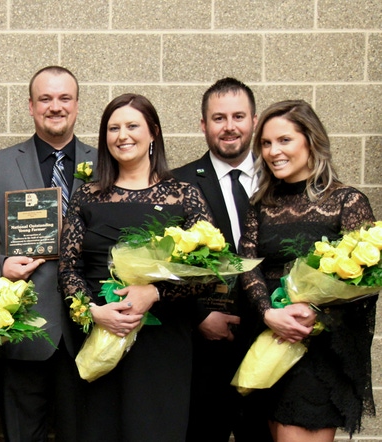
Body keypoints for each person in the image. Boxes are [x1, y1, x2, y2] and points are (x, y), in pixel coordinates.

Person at [58, 93, 213, 441]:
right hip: (101, 339)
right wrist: (92, 312)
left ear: (153, 132)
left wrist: (154, 293)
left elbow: (208, 272)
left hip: (163, 343)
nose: (122, 135)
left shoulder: (184, 195)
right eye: (113, 128)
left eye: (132, 126)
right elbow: (68, 269)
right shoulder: (87, 196)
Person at [238, 100, 376, 442]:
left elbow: (368, 281)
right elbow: (248, 265)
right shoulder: (261, 205)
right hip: (268, 342)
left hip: (317, 351)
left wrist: (315, 313)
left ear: (310, 141)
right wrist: (269, 313)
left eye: (284, 140)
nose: (273, 151)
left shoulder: (347, 201)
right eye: (266, 144)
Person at [0, 65, 96, 441]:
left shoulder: (105, 160)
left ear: (76, 105)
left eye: (64, 98)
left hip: (90, 332)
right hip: (23, 332)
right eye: (45, 99)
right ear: (30, 106)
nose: (55, 107)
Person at [173, 77, 271, 442]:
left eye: (238, 116)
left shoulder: (278, 176)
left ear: (254, 120)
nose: (229, 127)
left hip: (270, 340)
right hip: (205, 352)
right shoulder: (178, 183)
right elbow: (163, 269)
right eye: (218, 118)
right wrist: (198, 317)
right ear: (203, 125)